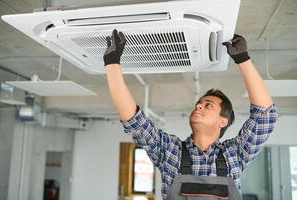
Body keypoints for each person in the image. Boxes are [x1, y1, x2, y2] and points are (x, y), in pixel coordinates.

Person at [104, 29, 278, 200]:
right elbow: (134, 120)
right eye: (198, 104)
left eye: (208, 105)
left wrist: (243, 59)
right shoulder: (169, 150)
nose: (199, 107)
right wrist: (112, 62)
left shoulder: (235, 154)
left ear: (222, 121)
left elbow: (265, 116)